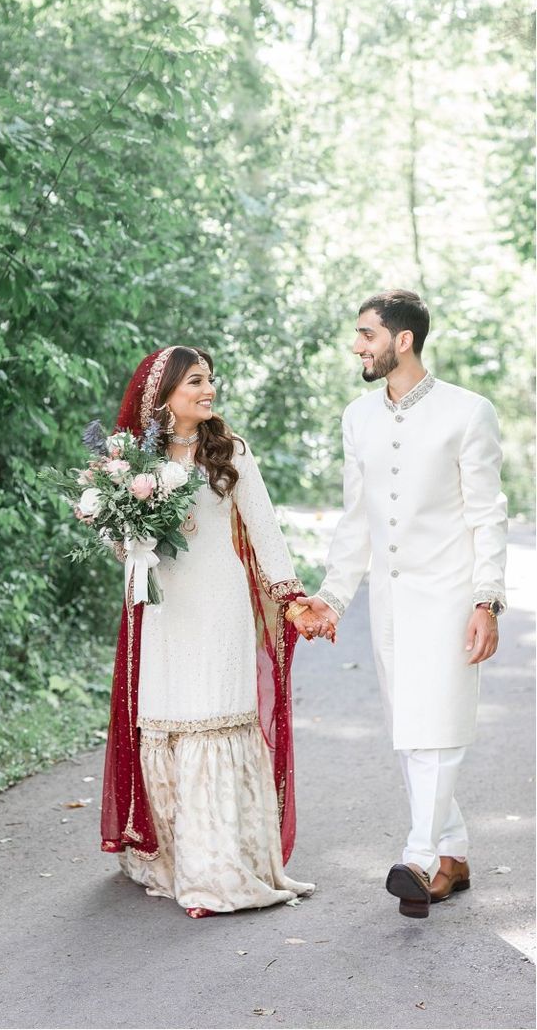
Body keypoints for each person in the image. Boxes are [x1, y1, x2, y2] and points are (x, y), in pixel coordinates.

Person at [298, 290, 508, 919]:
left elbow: (487, 516)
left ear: (403, 339)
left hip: (450, 591)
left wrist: (487, 600)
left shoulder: (468, 412)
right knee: (410, 729)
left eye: (366, 335)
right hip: (391, 599)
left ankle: (421, 857)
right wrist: (334, 596)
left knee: (436, 722)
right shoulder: (357, 416)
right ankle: (453, 848)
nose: (357, 347)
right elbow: (357, 517)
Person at [100, 345, 317, 917]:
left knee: (214, 719)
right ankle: (173, 862)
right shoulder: (130, 463)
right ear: (163, 392)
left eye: (210, 380)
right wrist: (127, 527)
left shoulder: (232, 453)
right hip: (161, 607)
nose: (208, 389)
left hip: (221, 606)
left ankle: (218, 872)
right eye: (195, 380)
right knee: (167, 721)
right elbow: (117, 542)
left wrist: (292, 601)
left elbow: (266, 534)